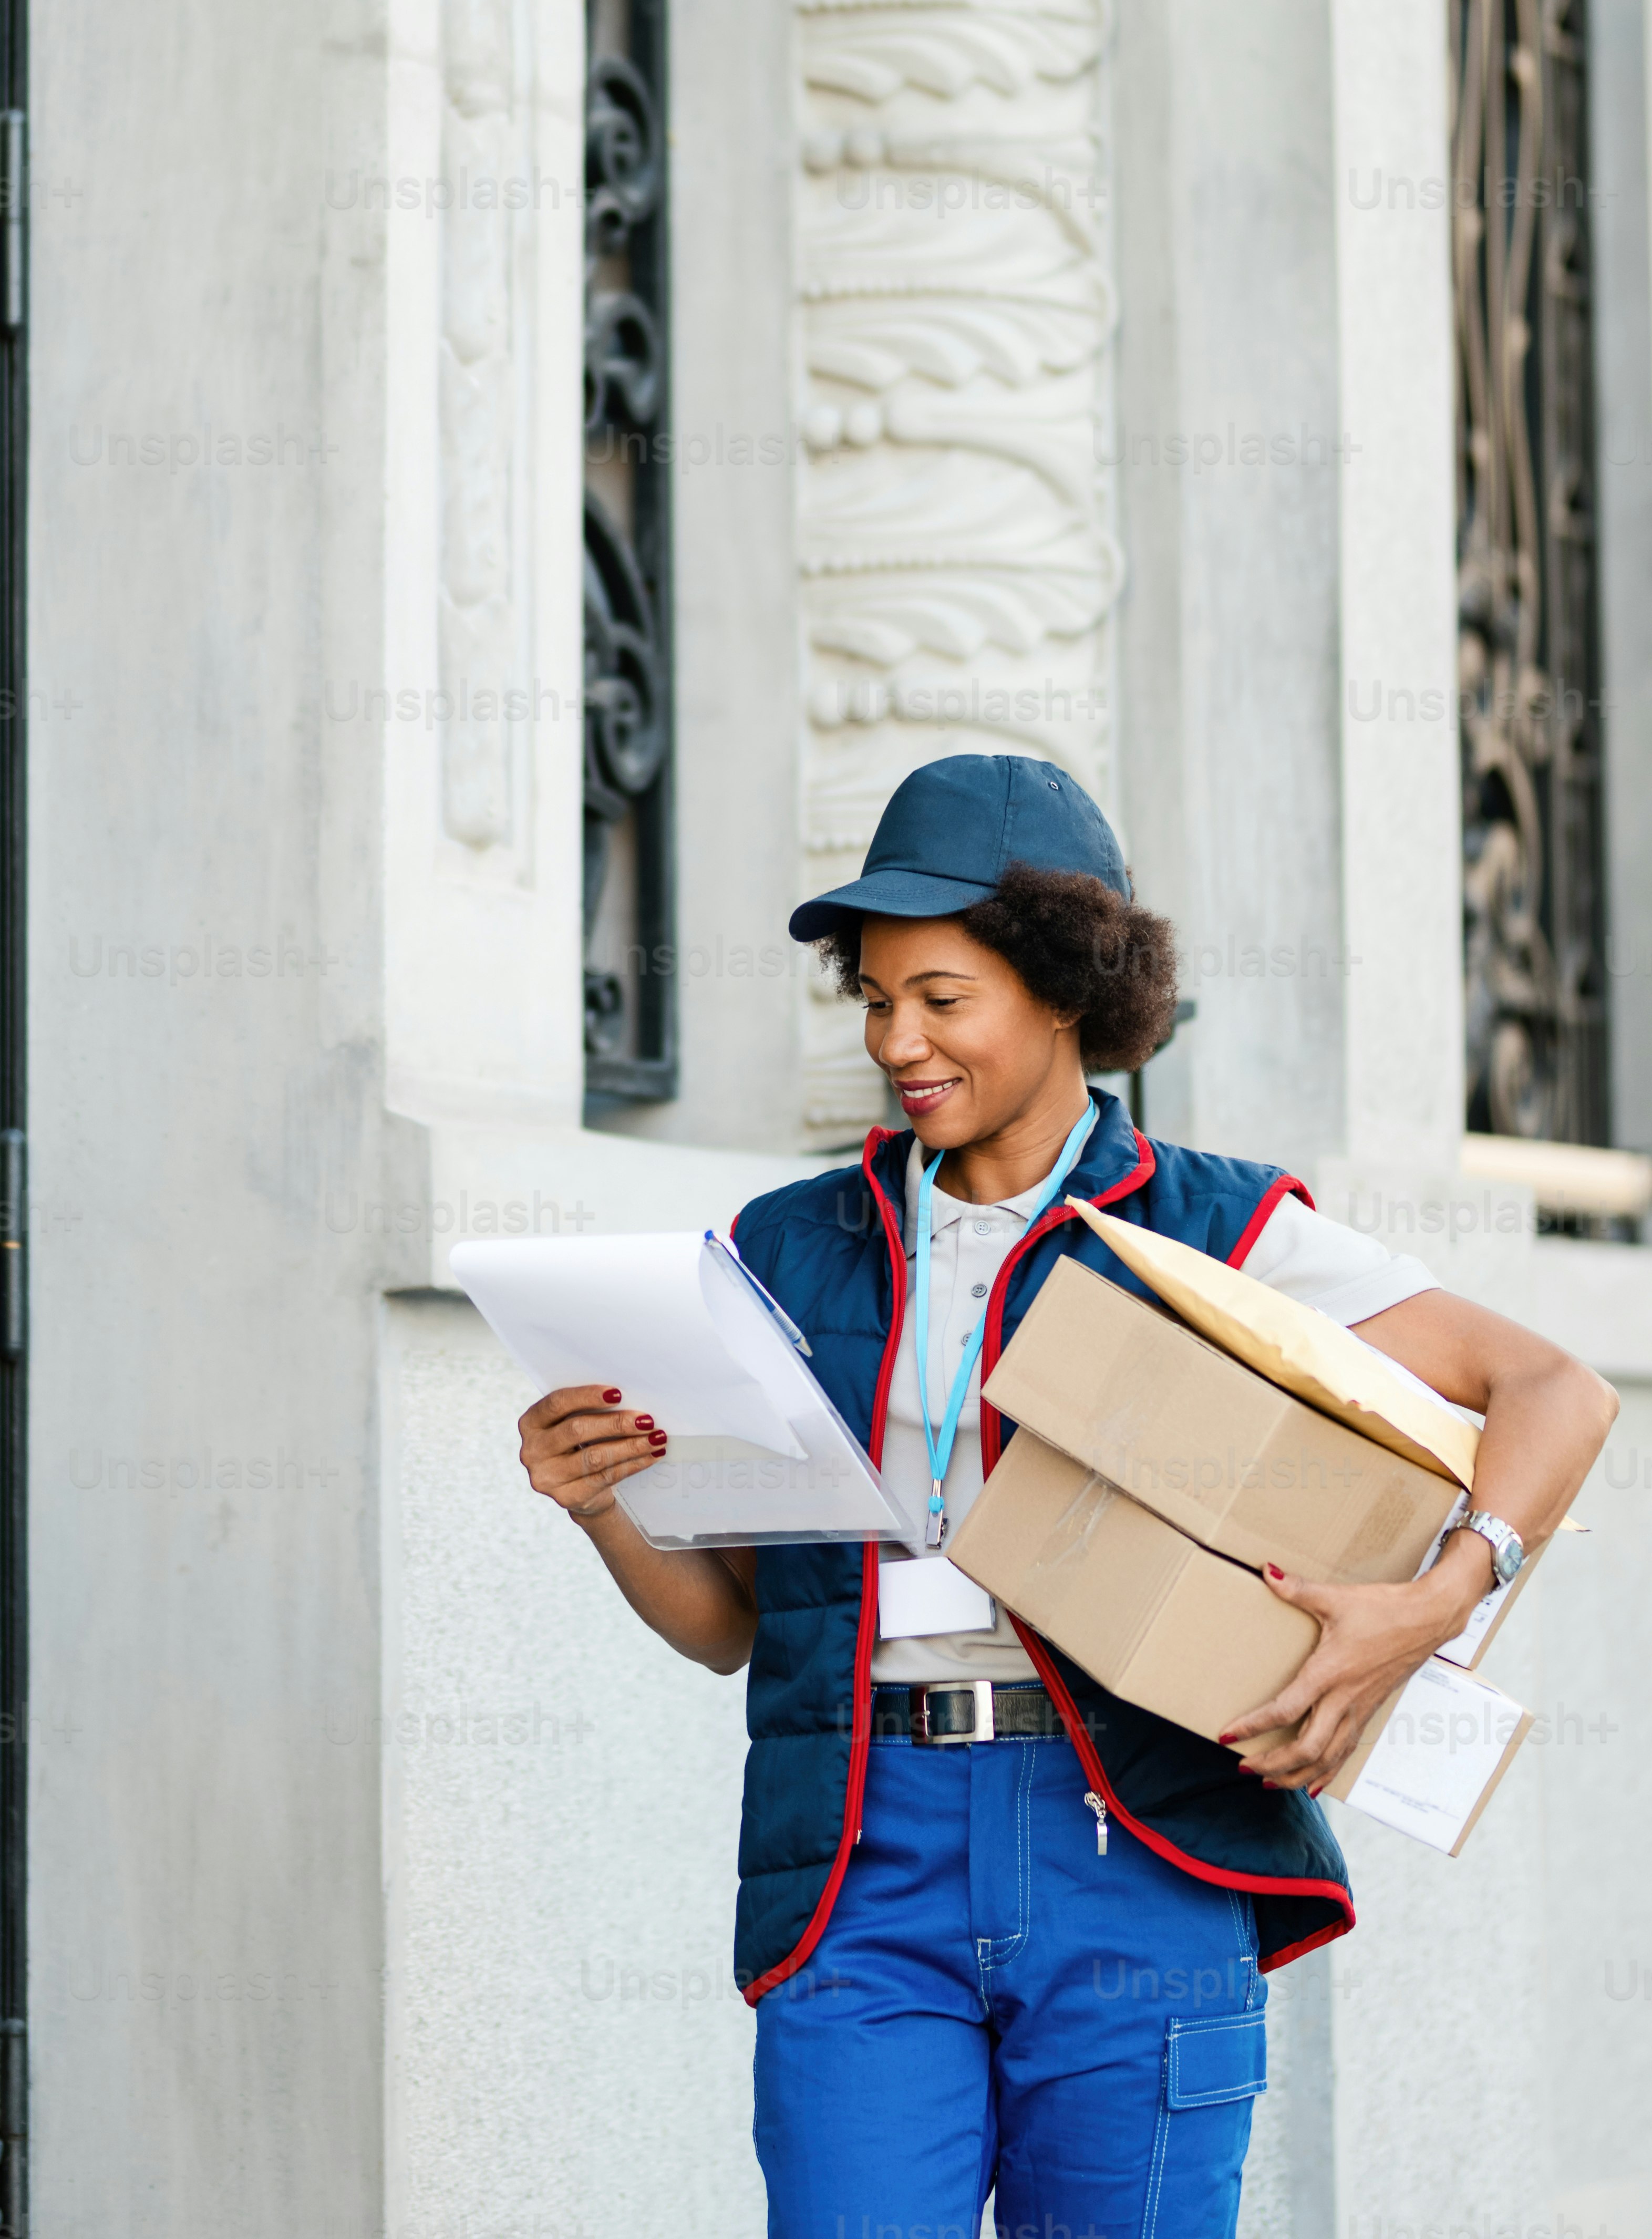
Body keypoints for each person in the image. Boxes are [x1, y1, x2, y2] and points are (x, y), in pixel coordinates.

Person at [513, 754, 1617, 2239]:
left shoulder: (1221, 1224)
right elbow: (730, 1629)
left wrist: (1429, 1603)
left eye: (944, 997)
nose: (899, 1038)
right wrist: (601, 1505)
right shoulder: (781, 1247)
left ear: (1063, 990)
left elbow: (1558, 1390)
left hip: (1132, 1847)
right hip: (859, 1856)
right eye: (876, 995)